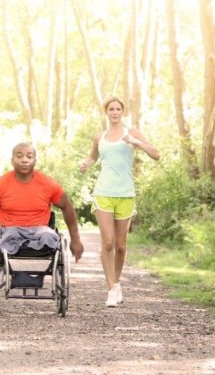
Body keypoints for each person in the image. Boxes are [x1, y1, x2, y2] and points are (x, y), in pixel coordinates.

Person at [79, 97, 160, 307]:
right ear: (106, 112)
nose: (114, 112)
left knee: (121, 246)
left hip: (125, 194)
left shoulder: (132, 133)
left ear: (122, 112)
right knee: (107, 243)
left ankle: (117, 281)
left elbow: (156, 155)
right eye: (111, 109)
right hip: (103, 192)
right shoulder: (100, 136)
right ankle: (111, 289)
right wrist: (85, 164)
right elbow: (93, 157)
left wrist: (137, 143)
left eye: (118, 109)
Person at [0, 142, 84, 263]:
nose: (24, 160)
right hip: (11, 230)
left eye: (29, 156)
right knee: (9, 237)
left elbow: (66, 207)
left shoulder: (48, 184)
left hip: (40, 230)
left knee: (49, 236)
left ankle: (30, 253)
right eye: (19, 156)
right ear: (12, 161)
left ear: (35, 161)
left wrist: (75, 241)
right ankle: (23, 270)